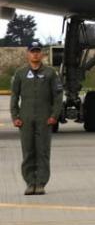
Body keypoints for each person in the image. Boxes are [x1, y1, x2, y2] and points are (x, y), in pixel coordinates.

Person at [9, 40, 63, 196]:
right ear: (28, 54)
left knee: (43, 151)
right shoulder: (20, 73)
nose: (35, 54)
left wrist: (54, 115)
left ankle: (40, 183)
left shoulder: (50, 73)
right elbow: (14, 97)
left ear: (42, 54)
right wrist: (15, 116)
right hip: (25, 118)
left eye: (38, 51)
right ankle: (29, 182)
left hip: (44, 118)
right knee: (28, 151)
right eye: (33, 51)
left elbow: (58, 97)